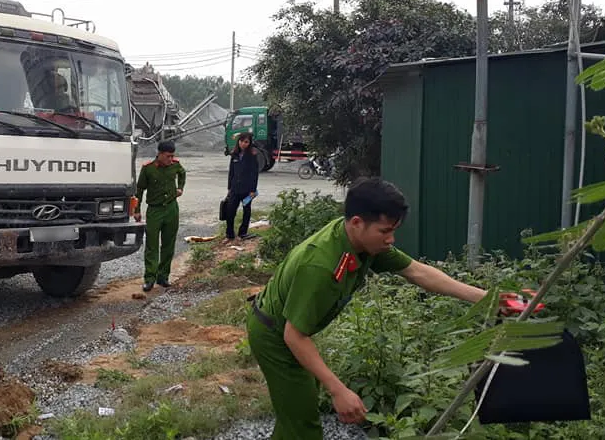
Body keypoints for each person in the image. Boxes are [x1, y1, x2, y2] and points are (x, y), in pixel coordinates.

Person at [246, 177, 514, 439]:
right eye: (385, 231)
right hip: (275, 337)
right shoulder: (320, 265)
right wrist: (338, 390)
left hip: (289, 331)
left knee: (298, 409)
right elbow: (294, 336)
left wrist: (488, 298)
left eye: (393, 230)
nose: (391, 239)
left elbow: (418, 272)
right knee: (303, 427)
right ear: (356, 223)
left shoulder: (362, 243)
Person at [134, 140, 186, 292]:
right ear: (160, 154)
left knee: (168, 244)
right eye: (168, 156)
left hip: (171, 208)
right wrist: (136, 210)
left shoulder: (175, 165)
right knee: (152, 245)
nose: (170, 159)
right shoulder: (148, 169)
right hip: (155, 210)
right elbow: (139, 190)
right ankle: (149, 278)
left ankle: (163, 277)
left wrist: (180, 188)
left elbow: (182, 174)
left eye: (172, 156)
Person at [225, 132, 260, 242]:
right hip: (235, 188)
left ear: (249, 143)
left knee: (246, 211)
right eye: (241, 141)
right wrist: (229, 187)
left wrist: (253, 190)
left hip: (247, 189)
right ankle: (230, 235)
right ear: (238, 142)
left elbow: (254, 173)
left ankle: (243, 233)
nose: (243, 144)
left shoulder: (252, 156)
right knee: (230, 211)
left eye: (246, 142)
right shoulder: (234, 154)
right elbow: (231, 172)